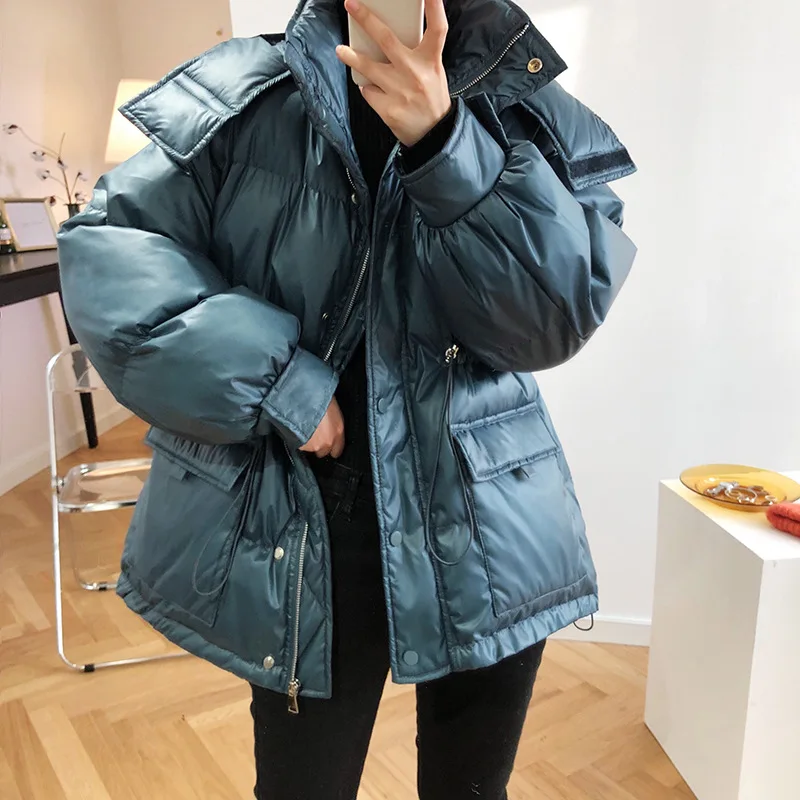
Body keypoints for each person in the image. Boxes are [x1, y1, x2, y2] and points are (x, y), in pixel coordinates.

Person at [58, 0, 637, 796]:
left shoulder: (534, 113)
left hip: (489, 518)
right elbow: (112, 251)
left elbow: (551, 322)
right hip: (307, 521)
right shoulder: (244, 92)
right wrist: (277, 381)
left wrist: (446, 145)